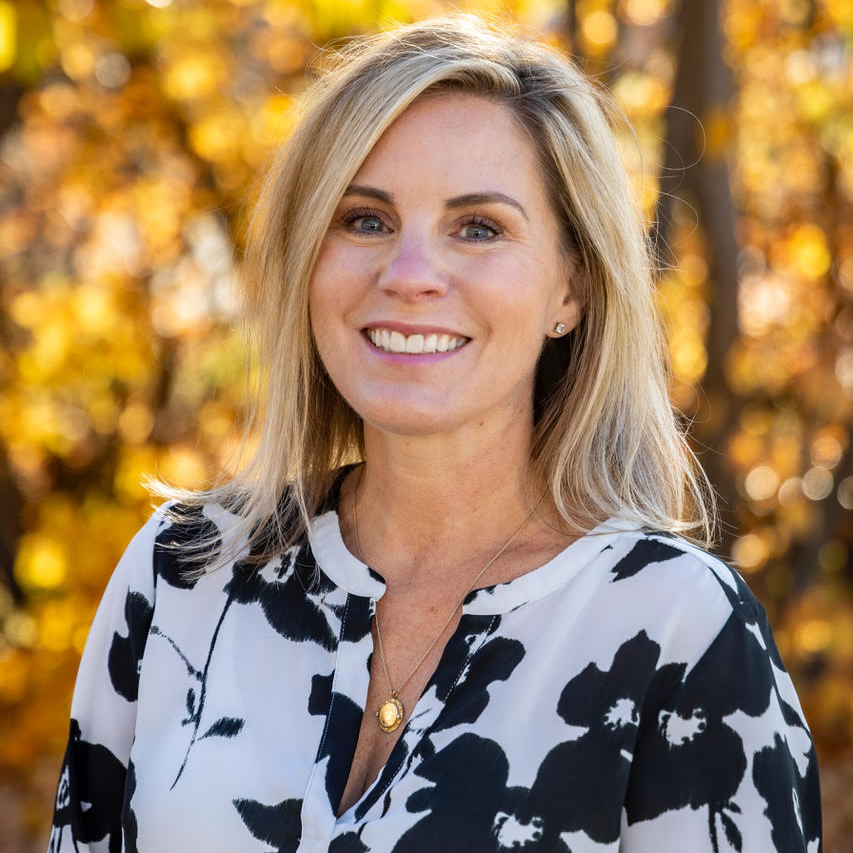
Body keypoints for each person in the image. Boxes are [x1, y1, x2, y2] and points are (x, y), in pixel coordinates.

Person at [48, 14, 822, 853]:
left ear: (570, 289)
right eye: (365, 220)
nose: (409, 274)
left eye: (477, 227)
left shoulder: (677, 630)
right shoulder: (184, 573)